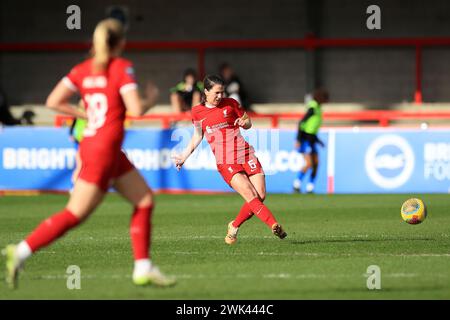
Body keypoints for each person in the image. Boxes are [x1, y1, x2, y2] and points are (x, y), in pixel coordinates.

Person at [2, 18, 175, 289]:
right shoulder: (121, 67)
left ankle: (143, 267)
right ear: (121, 43)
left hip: (98, 145)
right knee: (75, 214)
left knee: (143, 200)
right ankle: (21, 250)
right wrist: (151, 99)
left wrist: (86, 113)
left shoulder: (81, 70)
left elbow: (52, 101)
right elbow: (136, 109)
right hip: (104, 149)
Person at [172, 75, 287, 245]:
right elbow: (198, 134)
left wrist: (244, 122)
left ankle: (234, 226)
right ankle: (274, 225)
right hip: (226, 161)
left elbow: (248, 122)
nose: (220, 96)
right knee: (250, 194)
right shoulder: (197, 112)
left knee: (260, 195)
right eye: (216, 92)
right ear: (206, 91)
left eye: (222, 92)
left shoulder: (231, 103)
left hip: (246, 153)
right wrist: (184, 155)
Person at [293, 88, 329, 194]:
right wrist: (298, 139)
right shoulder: (313, 108)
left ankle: (310, 187)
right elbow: (301, 123)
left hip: (312, 139)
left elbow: (312, 128)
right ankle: (296, 184)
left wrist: (318, 141)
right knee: (309, 163)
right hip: (305, 139)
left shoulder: (318, 108)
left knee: (316, 163)